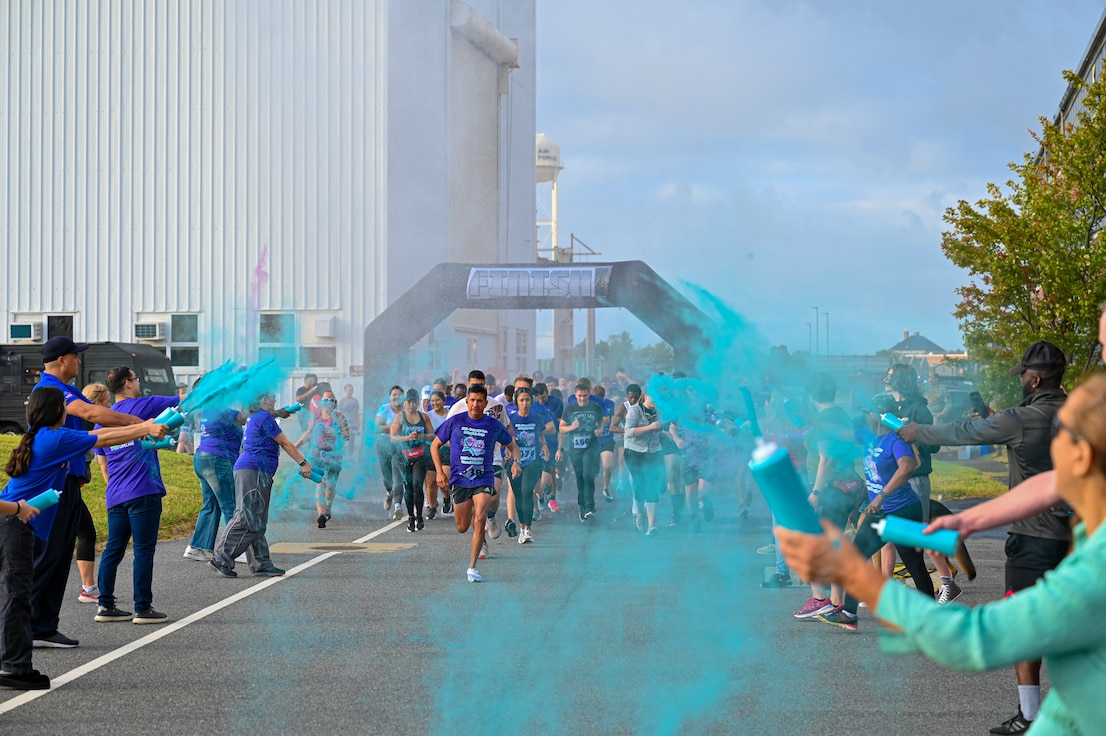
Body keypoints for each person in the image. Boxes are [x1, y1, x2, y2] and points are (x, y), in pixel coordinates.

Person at [776, 371, 1106, 736]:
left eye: (1056, 437)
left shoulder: (1094, 570)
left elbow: (971, 639)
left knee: (912, 562)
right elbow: (1049, 483)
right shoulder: (1089, 529)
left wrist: (855, 575)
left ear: (1080, 456)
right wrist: (967, 521)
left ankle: (873, 604)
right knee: (914, 559)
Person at [898, 340, 1068, 734]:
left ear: (1036, 377)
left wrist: (917, 431)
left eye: (1024, 375)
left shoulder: (1020, 418)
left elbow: (962, 432)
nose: (1022, 380)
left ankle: (1029, 716)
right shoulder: (1084, 412)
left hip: (1034, 536)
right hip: (1081, 533)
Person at [0, 388, 169, 687]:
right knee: (16, 598)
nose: (70, 410)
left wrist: (142, 430)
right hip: (16, 526)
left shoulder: (42, 437)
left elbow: (106, 438)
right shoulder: (55, 438)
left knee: (15, 596)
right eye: (65, 406)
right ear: (57, 413)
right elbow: (102, 438)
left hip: (16, 525)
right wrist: (145, 425)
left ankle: (16, 665)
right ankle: (15, 669)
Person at [30, 337, 143, 649]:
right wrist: (137, 423)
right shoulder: (51, 389)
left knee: (60, 555)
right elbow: (92, 415)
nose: (79, 362)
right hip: (52, 486)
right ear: (63, 360)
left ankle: (43, 626)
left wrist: (136, 430)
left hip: (68, 482)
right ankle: (25, 627)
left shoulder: (66, 388)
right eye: (75, 357)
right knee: (47, 556)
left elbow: (94, 421)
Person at [92, 367, 182, 625]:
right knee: (143, 550)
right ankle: (142, 608)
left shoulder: (102, 422)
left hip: (116, 495)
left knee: (113, 550)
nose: (139, 383)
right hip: (143, 491)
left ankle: (105, 605)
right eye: (137, 379)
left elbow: (103, 465)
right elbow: (185, 401)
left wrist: (116, 489)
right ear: (128, 383)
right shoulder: (145, 405)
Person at [210, 394, 314, 578]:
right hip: (254, 470)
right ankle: (221, 557)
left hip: (255, 470)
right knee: (246, 516)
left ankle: (261, 564)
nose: (274, 398)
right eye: (270, 396)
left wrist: (283, 412)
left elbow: (274, 415)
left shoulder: (258, 416)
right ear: (260, 400)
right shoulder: (263, 417)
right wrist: (303, 462)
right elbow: (284, 442)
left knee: (257, 519)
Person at [430, 385, 521, 582]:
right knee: (462, 526)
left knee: (480, 518)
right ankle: (472, 515)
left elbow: (513, 446)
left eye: (479, 401)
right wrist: (439, 472)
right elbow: (434, 445)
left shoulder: (493, 424)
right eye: (472, 400)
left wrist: (515, 462)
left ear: (485, 403)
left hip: (483, 477)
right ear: (467, 402)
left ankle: (472, 568)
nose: (475, 404)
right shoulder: (456, 421)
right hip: (460, 480)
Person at [184, 394, 245, 561]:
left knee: (211, 505)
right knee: (231, 504)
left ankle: (198, 547)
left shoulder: (207, 411)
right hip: (218, 460)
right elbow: (245, 417)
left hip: (203, 459)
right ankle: (236, 549)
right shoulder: (223, 412)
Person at [75, 383, 111, 604]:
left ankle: (88, 588)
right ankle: (88, 589)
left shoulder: (83, 424)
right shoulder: (85, 426)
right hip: (62, 491)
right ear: (97, 404)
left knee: (82, 533)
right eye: (107, 402)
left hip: (70, 489)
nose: (110, 406)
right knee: (86, 533)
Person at [298, 391, 351, 529]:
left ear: (335, 403)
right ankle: (321, 514)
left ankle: (328, 507)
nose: (328, 403)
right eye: (325, 401)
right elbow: (308, 434)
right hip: (318, 454)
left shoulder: (340, 418)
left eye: (331, 401)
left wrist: (339, 432)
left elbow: (347, 435)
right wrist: (294, 446)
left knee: (330, 485)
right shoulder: (316, 417)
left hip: (334, 455)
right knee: (320, 482)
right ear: (322, 402)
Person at [506, 386, 551, 543]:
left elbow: (541, 433)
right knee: (518, 495)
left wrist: (544, 444)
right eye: (521, 400)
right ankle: (522, 528)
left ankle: (528, 529)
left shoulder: (537, 418)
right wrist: (508, 444)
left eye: (527, 400)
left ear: (531, 401)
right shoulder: (510, 418)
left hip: (533, 460)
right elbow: (503, 437)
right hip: (513, 462)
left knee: (526, 492)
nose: (524, 403)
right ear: (516, 402)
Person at [559, 383, 605, 522]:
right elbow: (561, 428)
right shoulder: (570, 408)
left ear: (589, 395)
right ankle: (583, 507)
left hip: (591, 446)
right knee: (579, 477)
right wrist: (571, 427)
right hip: (575, 448)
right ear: (575, 395)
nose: (582, 399)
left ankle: (590, 507)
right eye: (579, 396)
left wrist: (600, 429)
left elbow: (601, 421)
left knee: (588, 474)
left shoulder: (595, 407)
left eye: (585, 396)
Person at [389, 389, 433, 532]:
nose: (412, 405)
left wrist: (423, 437)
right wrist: (407, 438)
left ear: (418, 402)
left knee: (417, 484)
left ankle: (419, 516)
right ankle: (411, 517)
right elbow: (393, 437)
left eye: (415, 401)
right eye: (409, 402)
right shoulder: (400, 418)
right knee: (408, 486)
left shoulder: (424, 417)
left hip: (420, 455)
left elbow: (433, 435)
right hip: (404, 456)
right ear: (405, 402)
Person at [623, 388, 664, 535]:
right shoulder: (635, 410)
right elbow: (628, 433)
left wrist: (665, 434)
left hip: (654, 451)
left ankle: (652, 525)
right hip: (634, 452)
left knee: (652, 485)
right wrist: (649, 427)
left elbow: (659, 430)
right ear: (645, 396)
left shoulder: (660, 412)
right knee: (640, 485)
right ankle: (640, 513)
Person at [375, 386, 404, 519]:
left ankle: (398, 506)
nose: (396, 397)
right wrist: (394, 427)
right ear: (389, 396)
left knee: (399, 476)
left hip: (400, 444)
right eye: (394, 395)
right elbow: (377, 427)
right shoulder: (384, 409)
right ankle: (389, 493)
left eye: (399, 395)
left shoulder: (406, 410)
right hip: (384, 444)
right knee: (387, 476)